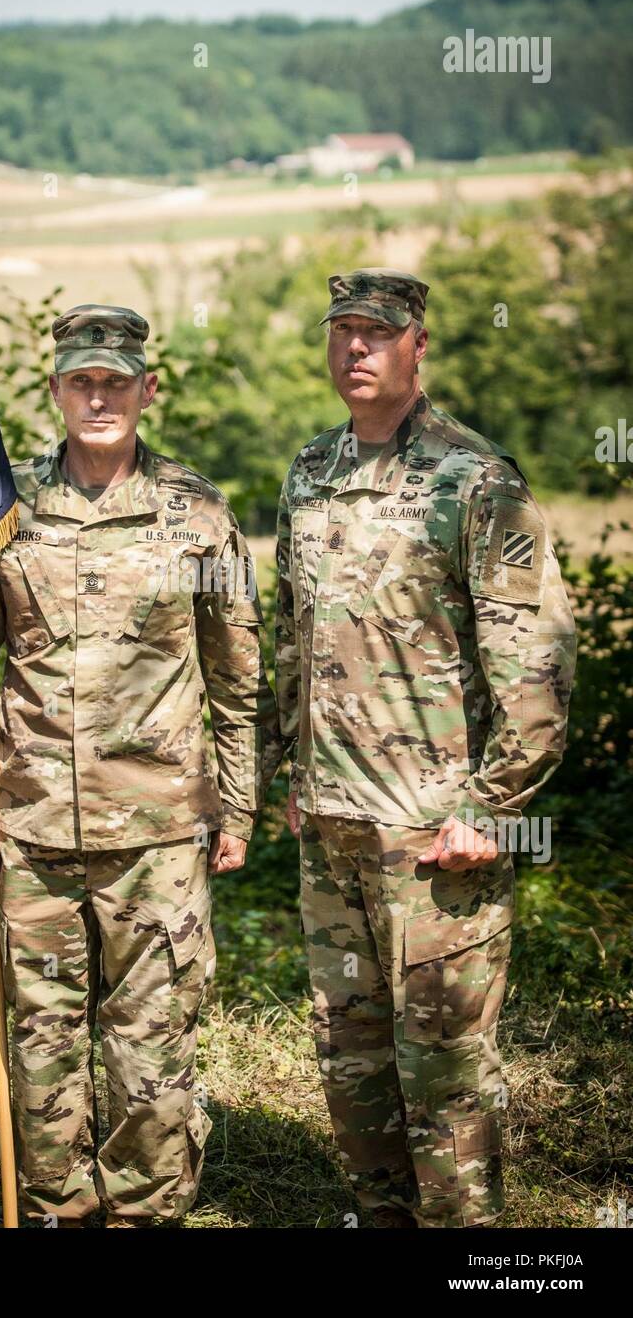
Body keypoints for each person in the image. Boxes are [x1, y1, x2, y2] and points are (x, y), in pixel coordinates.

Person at [274, 268, 577, 1228]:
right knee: (350, 1059)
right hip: (332, 828)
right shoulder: (308, 471)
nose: (356, 349)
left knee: (443, 1075)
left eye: (378, 333)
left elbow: (536, 658)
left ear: (418, 345)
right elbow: (292, 635)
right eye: (343, 332)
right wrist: (292, 768)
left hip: (434, 836)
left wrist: (492, 805)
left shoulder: (473, 478)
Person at [0, 303, 281, 1227]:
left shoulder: (197, 513)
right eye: (82, 381)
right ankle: (57, 1212)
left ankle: (146, 1215)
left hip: (157, 829)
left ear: (147, 389)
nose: (99, 397)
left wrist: (237, 809)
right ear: (56, 391)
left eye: (116, 381)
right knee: (40, 1045)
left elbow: (236, 671)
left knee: (150, 1051)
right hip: (28, 823)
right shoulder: (6, 511)